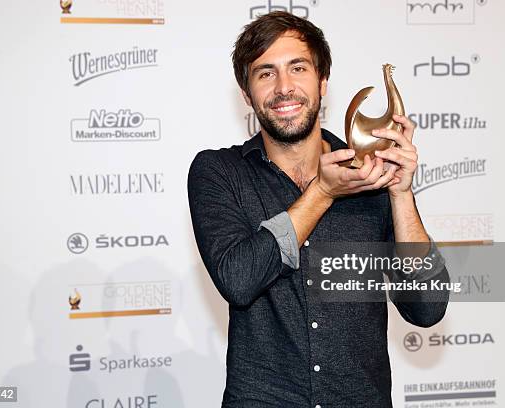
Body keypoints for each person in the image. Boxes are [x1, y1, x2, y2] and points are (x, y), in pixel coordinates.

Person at [187, 11, 450, 408]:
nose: (284, 87)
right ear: (246, 93)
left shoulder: (369, 177)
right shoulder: (219, 173)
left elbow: (426, 307)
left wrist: (400, 192)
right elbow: (238, 279)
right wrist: (323, 192)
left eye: (298, 68)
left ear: (323, 81)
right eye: (265, 73)